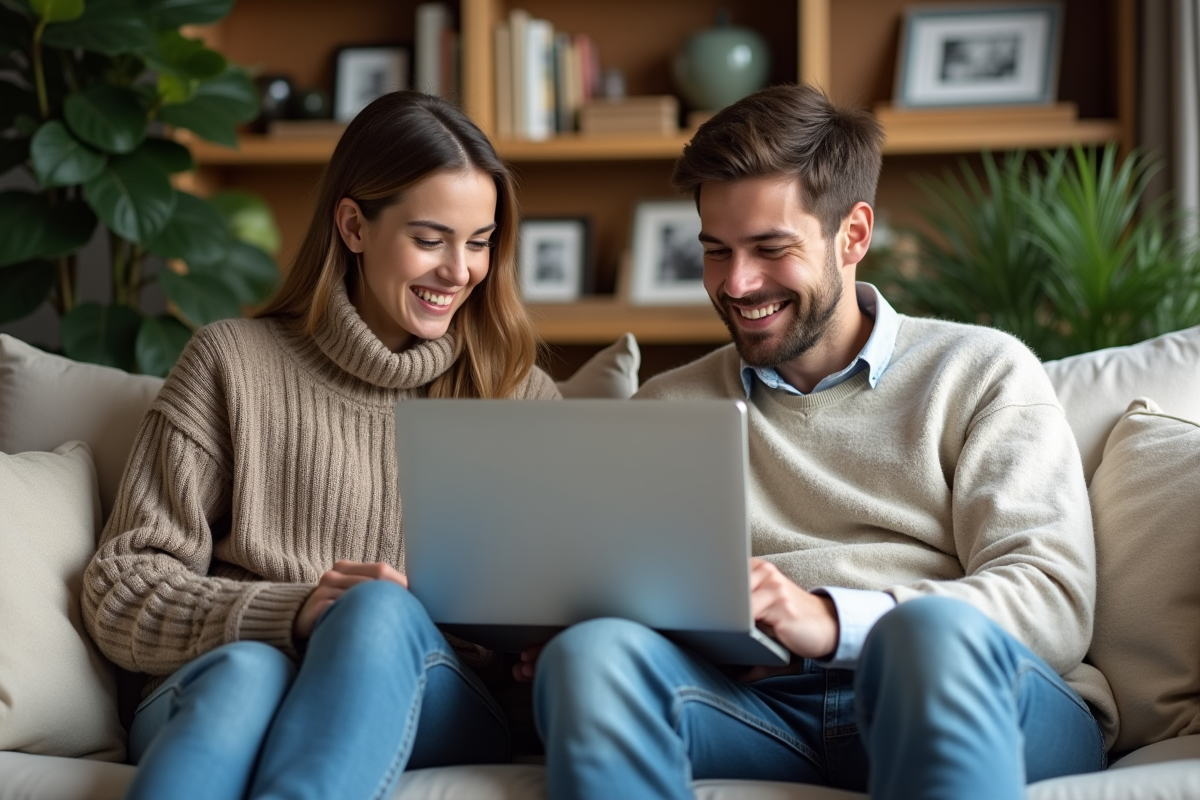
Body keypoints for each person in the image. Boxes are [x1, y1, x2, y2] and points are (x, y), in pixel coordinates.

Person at [522, 84, 1115, 800]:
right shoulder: (667, 407)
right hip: (760, 712)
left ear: (854, 234)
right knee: (592, 655)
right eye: (716, 252)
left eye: (770, 249)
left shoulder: (980, 371)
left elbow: (1050, 600)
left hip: (965, 691)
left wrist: (832, 620)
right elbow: (628, 591)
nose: (737, 284)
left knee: (924, 639)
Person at [81, 91, 560, 800]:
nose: (460, 270)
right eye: (431, 238)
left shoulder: (519, 396)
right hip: (230, 675)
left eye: (480, 241)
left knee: (376, 610)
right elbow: (121, 590)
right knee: (246, 671)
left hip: (433, 696)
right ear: (353, 225)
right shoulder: (230, 364)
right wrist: (294, 612)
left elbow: (555, 615)